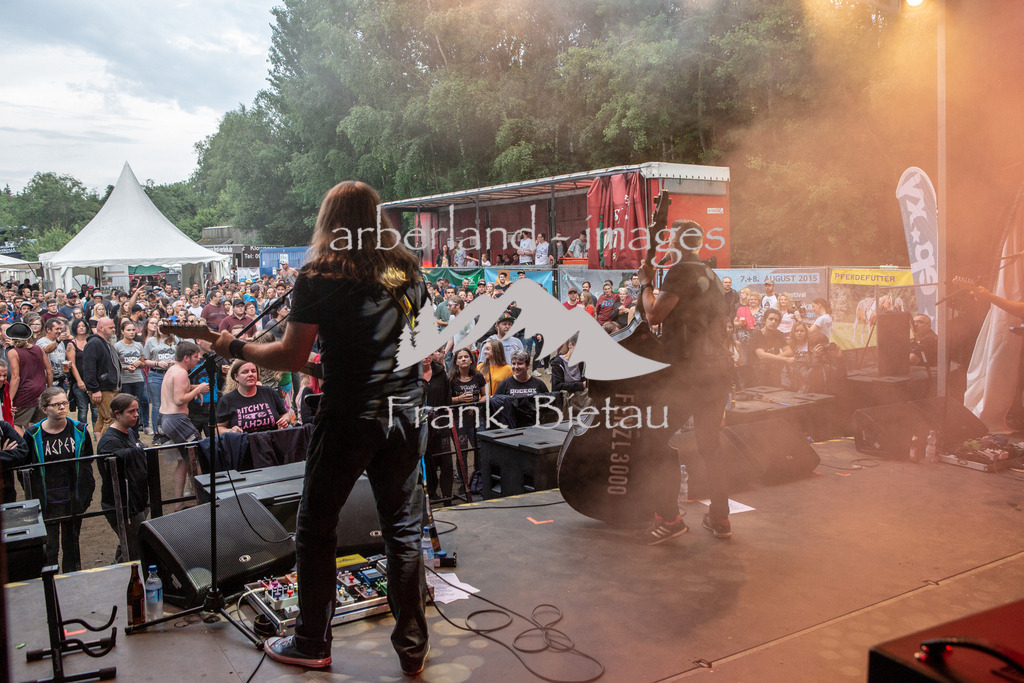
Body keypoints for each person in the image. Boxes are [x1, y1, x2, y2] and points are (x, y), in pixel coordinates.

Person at [211, 180, 430, 674]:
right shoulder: (408, 270)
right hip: (405, 410)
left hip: (351, 413)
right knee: (402, 529)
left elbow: (290, 355)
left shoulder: (322, 274)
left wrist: (233, 347)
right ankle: (413, 648)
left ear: (330, 222)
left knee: (315, 526)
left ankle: (312, 642)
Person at [636, 219, 733, 544]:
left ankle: (669, 519)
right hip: (717, 371)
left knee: (652, 440)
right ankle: (720, 518)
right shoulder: (711, 275)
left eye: (670, 238)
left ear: (676, 242)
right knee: (710, 445)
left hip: (690, 373)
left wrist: (645, 284)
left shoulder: (680, 271)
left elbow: (654, 314)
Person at [23, 387, 95, 573]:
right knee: (50, 546)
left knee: (72, 544)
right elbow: (25, 469)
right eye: (56, 405)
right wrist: (34, 496)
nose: (62, 407)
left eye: (64, 403)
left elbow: (87, 463)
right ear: (44, 409)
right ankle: (50, 582)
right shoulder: (32, 434)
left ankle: (72, 579)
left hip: (73, 497)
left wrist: (86, 493)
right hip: (46, 500)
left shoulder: (80, 430)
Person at [96, 393, 149, 562]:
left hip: (135, 499)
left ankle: (117, 565)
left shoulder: (130, 432)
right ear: (117, 414)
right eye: (131, 412)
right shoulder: (109, 441)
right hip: (120, 503)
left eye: (137, 411)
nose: (136, 415)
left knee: (130, 541)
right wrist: (139, 450)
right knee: (136, 545)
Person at [159, 341, 209, 507]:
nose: (198, 359)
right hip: (176, 420)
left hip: (168, 419)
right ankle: (203, 499)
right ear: (186, 357)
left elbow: (179, 388)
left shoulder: (174, 369)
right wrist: (197, 390)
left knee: (184, 461)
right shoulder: (181, 373)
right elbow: (179, 399)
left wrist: (195, 388)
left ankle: (179, 502)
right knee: (196, 457)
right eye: (195, 357)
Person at [216, 360, 291, 433]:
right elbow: (217, 429)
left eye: (253, 371)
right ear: (236, 377)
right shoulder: (227, 400)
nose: (250, 374)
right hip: (244, 441)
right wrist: (230, 431)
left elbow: (284, 414)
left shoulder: (269, 392)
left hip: (270, 440)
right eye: (245, 372)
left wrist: (285, 420)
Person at [6, 321, 53, 434]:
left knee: (15, 424)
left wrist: (9, 399)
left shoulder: (13, 352)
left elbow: (16, 378)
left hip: (24, 393)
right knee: (39, 425)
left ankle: (25, 444)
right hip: (41, 390)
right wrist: (49, 390)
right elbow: (49, 371)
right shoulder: (38, 349)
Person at [82, 317, 121, 441]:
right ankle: (107, 446)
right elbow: (89, 368)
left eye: (114, 327)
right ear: (100, 328)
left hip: (109, 387)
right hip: (103, 388)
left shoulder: (105, 343)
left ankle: (100, 444)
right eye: (110, 328)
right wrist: (94, 389)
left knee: (102, 418)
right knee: (111, 418)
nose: (113, 330)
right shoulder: (94, 343)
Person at [116, 320, 149, 434]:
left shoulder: (138, 345)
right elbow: (115, 365)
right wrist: (126, 367)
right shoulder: (118, 346)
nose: (131, 332)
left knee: (136, 407)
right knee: (126, 407)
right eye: (128, 330)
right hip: (125, 380)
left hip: (138, 379)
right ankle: (125, 432)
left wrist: (139, 363)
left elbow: (143, 363)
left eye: (133, 330)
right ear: (122, 331)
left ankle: (135, 435)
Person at [65, 318, 98, 429]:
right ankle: (82, 433)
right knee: (83, 410)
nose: (81, 328)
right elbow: (72, 364)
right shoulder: (71, 344)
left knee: (95, 409)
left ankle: (97, 433)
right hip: (79, 381)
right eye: (79, 326)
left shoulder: (91, 342)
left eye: (83, 326)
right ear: (75, 328)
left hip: (93, 381)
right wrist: (79, 381)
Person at [752, 309, 791, 387]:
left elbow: (789, 351)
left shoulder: (778, 334)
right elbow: (762, 355)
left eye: (776, 320)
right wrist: (784, 359)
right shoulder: (756, 335)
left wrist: (773, 358)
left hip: (773, 374)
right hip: (755, 375)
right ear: (764, 320)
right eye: (771, 319)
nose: (773, 322)